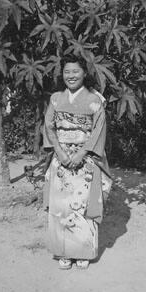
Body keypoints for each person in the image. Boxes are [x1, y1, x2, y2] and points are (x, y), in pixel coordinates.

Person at [42, 55, 112, 270]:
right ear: (62, 75)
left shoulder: (94, 100)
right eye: (66, 72)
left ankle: (83, 252)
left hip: (86, 158)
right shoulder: (55, 99)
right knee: (61, 206)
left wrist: (82, 152)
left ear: (84, 73)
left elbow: (99, 129)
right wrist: (59, 152)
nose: (71, 76)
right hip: (61, 157)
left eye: (75, 71)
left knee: (82, 206)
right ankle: (64, 252)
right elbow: (49, 126)